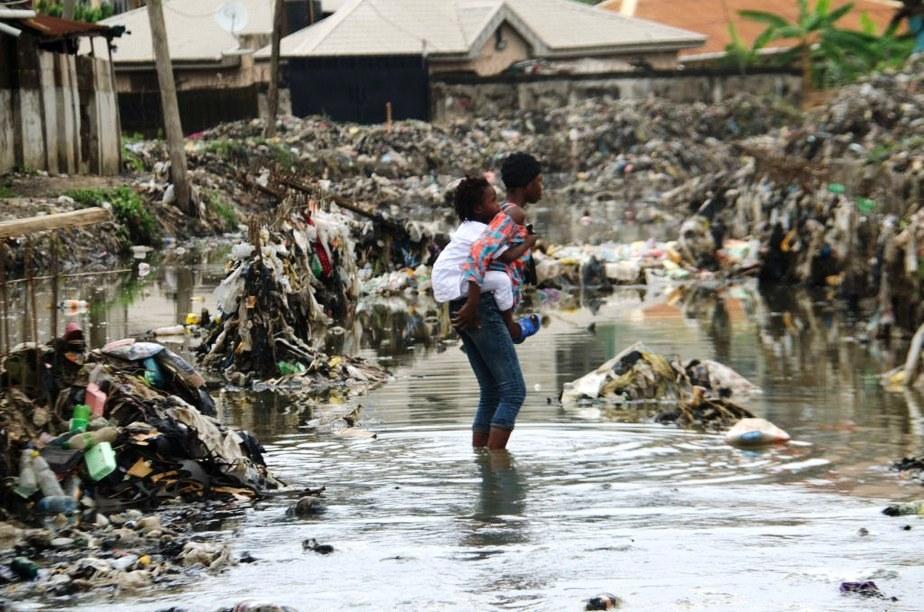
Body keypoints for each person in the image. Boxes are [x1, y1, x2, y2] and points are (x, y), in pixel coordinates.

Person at [451, 153, 545, 451]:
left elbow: (500, 258)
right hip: (482, 304)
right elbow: (479, 253)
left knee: (492, 392)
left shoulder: (501, 214)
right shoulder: (512, 214)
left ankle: (481, 462)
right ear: (528, 185)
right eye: (539, 181)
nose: (542, 187)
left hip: (475, 302)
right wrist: (475, 304)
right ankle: (496, 467)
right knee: (514, 392)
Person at [433, 176, 538, 342]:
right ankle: (511, 327)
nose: (499, 207)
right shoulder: (483, 232)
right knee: (502, 280)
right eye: (494, 201)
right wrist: (528, 243)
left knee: (498, 277)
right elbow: (506, 257)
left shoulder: (469, 226)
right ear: (478, 209)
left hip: (447, 280)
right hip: (454, 281)